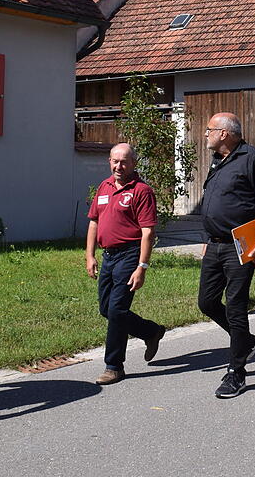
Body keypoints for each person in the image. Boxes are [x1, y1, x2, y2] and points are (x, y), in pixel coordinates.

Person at [199, 112, 255, 398]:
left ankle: (236, 372)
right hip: (214, 243)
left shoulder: (251, 157)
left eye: (209, 130)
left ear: (225, 133)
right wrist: (206, 237)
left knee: (235, 305)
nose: (206, 134)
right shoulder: (218, 159)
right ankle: (245, 341)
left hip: (240, 244)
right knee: (206, 302)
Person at [85, 143, 165, 386]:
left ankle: (114, 366)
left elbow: (148, 232)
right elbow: (93, 223)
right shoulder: (104, 186)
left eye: (124, 162)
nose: (118, 166)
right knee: (106, 310)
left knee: (117, 310)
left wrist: (142, 266)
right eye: (114, 161)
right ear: (109, 161)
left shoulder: (142, 191)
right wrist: (90, 255)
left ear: (134, 164)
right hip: (108, 256)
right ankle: (150, 331)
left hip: (129, 255)